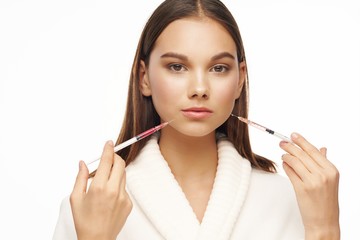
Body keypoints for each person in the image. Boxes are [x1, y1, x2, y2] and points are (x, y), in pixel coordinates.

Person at [53, 0, 340, 239]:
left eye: (218, 68)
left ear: (240, 79)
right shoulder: (91, 206)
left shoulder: (288, 200)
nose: (200, 89)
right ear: (144, 78)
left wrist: (324, 228)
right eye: (177, 67)